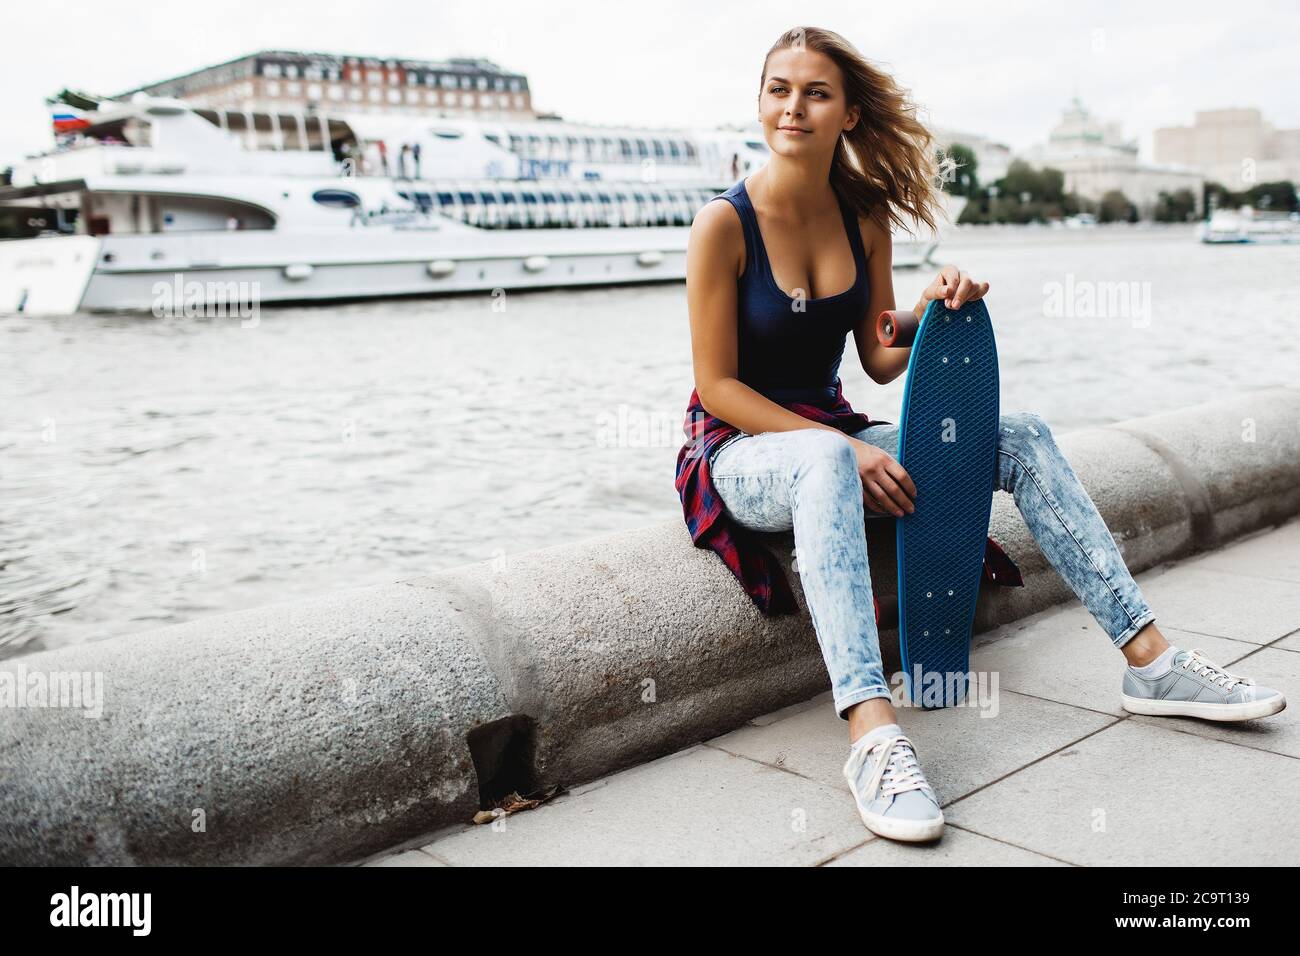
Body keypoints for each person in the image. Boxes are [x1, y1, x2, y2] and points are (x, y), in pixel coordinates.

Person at [675, 25, 1286, 845]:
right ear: (758, 102)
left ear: (848, 114)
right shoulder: (722, 225)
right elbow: (718, 386)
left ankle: (1153, 662)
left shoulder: (862, 219)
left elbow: (881, 359)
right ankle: (873, 735)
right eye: (778, 89)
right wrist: (848, 450)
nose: (793, 107)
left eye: (815, 92)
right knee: (824, 455)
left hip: (833, 432)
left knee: (1018, 433)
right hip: (740, 450)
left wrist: (929, 309)